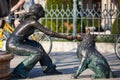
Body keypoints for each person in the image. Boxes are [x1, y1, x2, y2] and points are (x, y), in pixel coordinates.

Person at [6, 4, 75, 79]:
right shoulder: (32, 21)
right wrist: (65, 37)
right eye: (42, 10)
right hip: (13, 44)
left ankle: (49, 69)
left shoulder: (30, 20)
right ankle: (19, 72)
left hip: (18, 42)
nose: (44, 12)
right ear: (38, 12)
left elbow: (22, 36)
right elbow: (49, 33)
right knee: (37, 53)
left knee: (38, 46)